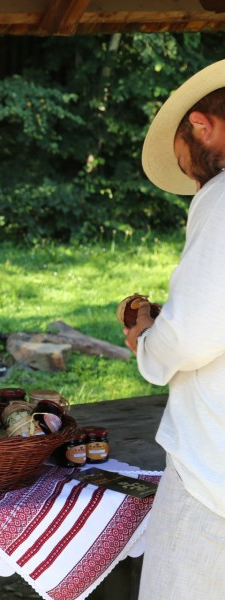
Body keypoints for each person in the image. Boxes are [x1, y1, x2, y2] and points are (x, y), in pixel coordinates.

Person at [126, 60, 225, 599]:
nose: (192, 179)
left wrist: (146, 341)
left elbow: (192, 337)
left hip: (215, 476)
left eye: (186, 167)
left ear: (200, 126)